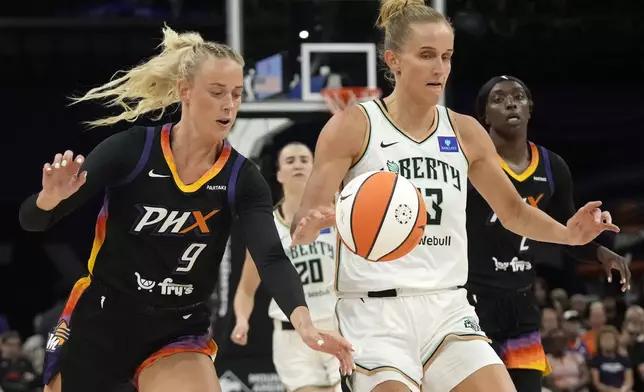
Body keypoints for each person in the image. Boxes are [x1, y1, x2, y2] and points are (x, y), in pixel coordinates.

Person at [289, 0, 620, 390]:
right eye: (426, 55)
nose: (439, 68)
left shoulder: (464, 132)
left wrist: (569, 234)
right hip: (373, 311)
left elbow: (513, 212)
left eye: (446, 56)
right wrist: (315, 224)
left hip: (447, 306)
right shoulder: (352, 127)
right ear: (393, 60)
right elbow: (304, 221)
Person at [18, 26, 353, 392]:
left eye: (237, 94)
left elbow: (271, 257)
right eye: (217, 92)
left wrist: (302, 322)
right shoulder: (131, 152)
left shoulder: (242, 177)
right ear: (185, 92)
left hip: (176, 327)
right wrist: (48, 200)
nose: (229, 104)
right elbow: (34, 221)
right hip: (103, 318)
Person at [466, 75, 631, 392]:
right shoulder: (467, 162)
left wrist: (599, 251)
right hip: (469, 302)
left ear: (529, 109)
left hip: (520, 305)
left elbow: (567, 232)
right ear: (484, 116)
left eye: (519, 96)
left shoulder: (552, 167)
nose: (511, 102)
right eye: (498, 99)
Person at [231, 142, 341, 391]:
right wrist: (241, 320)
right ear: (279, 174)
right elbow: (246, 289)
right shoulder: (267, 228)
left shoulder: (336, 214)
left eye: (304, 159)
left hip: (336, 324)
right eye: (290, 160)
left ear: (314, 168)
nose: (298, 164)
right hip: (292, 337)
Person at [589, 326, 633, 392]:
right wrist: (612, 390)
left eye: (610, 339)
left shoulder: (624, 359)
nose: (608, 341)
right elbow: (597, 383)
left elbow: (629, 382)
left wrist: (623, 390)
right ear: (599, 342)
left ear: (616, 341)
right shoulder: (595, 360)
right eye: (605, 339)